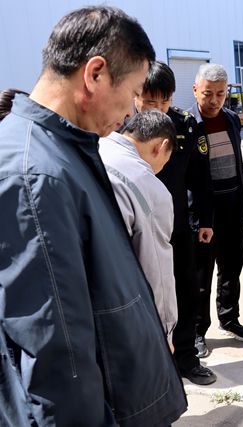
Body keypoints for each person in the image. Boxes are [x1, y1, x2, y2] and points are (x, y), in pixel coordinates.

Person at [0, 6, 186, 426]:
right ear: (95, 74)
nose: (131, 113)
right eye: (133, 91)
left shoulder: (66, 149)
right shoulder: (35, 176)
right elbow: (57, 355)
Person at [133, 61, 217, 385]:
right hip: (136, 231)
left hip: (177, 229)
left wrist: (206, 219)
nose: (157, 109)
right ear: (135, 96)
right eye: (148, 101)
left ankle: (186, 358)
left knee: (186, 292)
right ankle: (152, 364)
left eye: (164, 101)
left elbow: (201, 177)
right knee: (142, 297)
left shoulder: (185, 125)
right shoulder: (122, 130)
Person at [190, 63, 243, 355]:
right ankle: (197, 331)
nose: (214, 100)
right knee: (201, 277)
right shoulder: (188, 125)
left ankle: (229, 319)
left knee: (231, 271)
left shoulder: (231, 119)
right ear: (195, 90)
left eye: (220, 93)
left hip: (233, 210)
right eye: (208, 94)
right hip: (205, 216)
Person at [99, 110, 177, 346]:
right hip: (122, 316)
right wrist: (165, 329)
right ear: (161, 146)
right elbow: (156, 269)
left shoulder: (96, 149)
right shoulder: (149, 186)